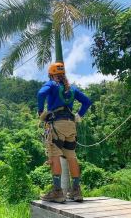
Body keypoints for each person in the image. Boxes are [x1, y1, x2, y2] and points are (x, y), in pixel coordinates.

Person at [37, 62, 92, 203]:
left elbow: (41, 93)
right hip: (70, 124)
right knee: (71, 157)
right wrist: (78, 115)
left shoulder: (51, 84)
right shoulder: (72, 88)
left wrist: (41, 112)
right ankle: (76, 191)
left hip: (57, 124)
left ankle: (57, 192)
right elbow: (87, 101)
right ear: (63, 74)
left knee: (55, 155)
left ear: (51, 74)